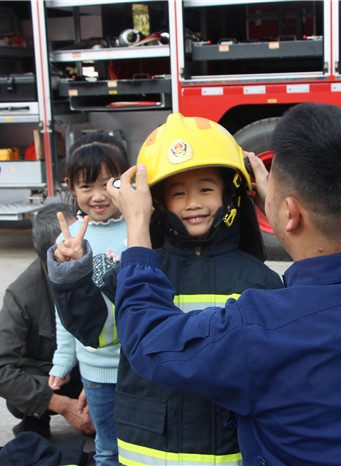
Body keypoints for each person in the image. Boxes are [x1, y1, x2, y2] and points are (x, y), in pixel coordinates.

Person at [105, 103, 341, 465]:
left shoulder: (259, 329)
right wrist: (283, 206)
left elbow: (147, 339)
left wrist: (136, 224)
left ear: (290, 213)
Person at [49, 113, 283, 465]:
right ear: (156, 202)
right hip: (146, 450)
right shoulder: (137, 271)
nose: (193, 202)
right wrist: (72, 277)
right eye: (178, 192)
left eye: (206, 188)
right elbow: (100, 333)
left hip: (225, 448)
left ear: (231, 194)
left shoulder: (259, 279)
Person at [48, 132, 130, 465]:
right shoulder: (67, 241)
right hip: (95, 371)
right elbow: (64, 310)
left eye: (107, 183)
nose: (98, 196)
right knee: (107, 450)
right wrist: (63, 358)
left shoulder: (141, 227)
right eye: (86, 186)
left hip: (138, 366)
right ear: (71, 187)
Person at [0, 203, 94, 440]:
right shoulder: (21, 295)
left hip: (96, 369)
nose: (81, 249)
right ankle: (36, 421)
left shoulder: (99, 265)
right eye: (71, 245)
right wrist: (63, 405)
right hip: (56, 378)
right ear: (50, 256)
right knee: (23, 380)